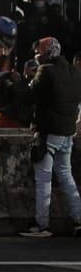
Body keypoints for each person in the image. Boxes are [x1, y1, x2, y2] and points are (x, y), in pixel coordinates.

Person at [19, 35, 81, 238]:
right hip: (67, 134)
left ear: (47, 54)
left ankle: (41, 225)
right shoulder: (73, 72)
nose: (36, 56)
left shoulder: (45, 71)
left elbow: (29, 96)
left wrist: (22, 81)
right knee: (66, 177)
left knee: (43, 179)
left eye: (39, 53)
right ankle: (79, 219)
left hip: (48, 133)